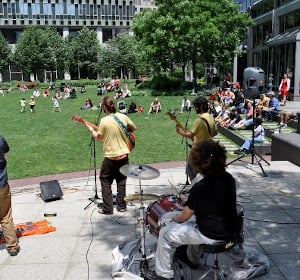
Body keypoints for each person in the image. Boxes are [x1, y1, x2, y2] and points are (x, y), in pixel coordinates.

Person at [143, 140, 239, 280]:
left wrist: (176, 219)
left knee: (165, 233)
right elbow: (214, 203)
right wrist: (192, 203)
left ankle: (163, 275)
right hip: (230, 231)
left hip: (211, 235)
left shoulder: (200, 187)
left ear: (198, 163)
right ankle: (191, 260)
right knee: (195, 223)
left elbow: (184, 217)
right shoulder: (229, 179)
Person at [86, 96, 137, 215]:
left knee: (105, 180)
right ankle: (122, 206)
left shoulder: (104, 121)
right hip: (124, 155)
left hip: (111, 157)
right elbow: (134, 128)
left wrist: (91, 130)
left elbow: (99, 137)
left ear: (104, 107)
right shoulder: (123, 116)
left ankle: (107, 208)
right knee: (121, 180)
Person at [175, 96, 217, 182]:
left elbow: (190, 135)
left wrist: (179, 132)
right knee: (204, 170)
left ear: (200, 107)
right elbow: (214, 133)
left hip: (199, 149)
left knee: (190, 170)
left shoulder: (199, 121)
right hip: (209, 148)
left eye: (196, 106)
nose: (195, 109)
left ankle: (195, 188)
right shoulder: (211, 117)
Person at [0, 135, 20, 256]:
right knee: (5, 216)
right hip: (1, 185)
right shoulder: (0, 139)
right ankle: (12, 247)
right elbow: (6, 154)